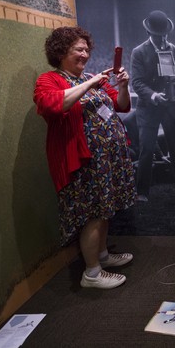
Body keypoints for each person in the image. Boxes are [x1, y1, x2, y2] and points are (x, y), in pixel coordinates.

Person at [33, 26, 136, 289]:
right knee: (92, 214)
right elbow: (51, 105)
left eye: (86, 49)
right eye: (78, 49)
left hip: (105, 160)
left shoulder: (90, 77)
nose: (85, 54)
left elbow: (121, 105)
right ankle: (91, 274)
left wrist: (123, 86)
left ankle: (102, 257)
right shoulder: (50, 80)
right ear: (60, 52)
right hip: (83, 162)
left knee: (104, 210)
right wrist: (90, 83)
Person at [131, 10, 175, 203]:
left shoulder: (173, 50)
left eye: (164, 34)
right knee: (147, 149)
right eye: (159, 35)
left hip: (170, 106)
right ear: (150, 33)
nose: (162, 38)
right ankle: (142, 192)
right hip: (149, 106)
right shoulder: (139, 52)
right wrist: (152, 95)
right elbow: (137, 82)